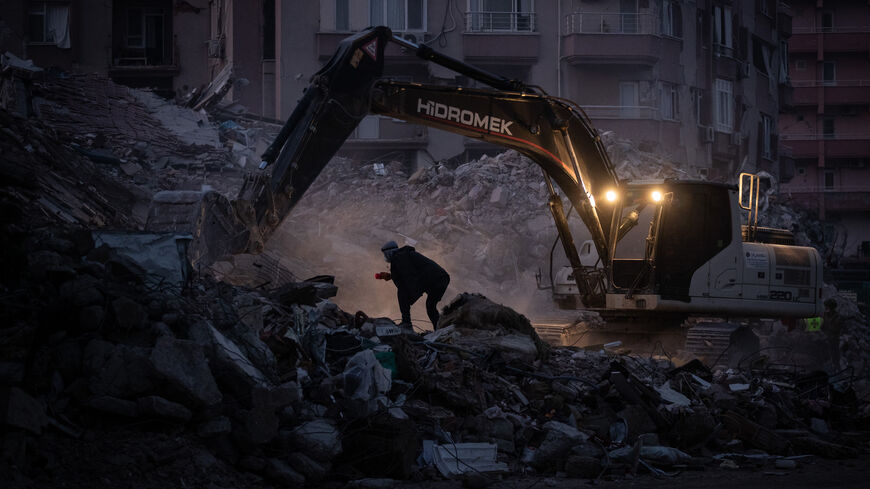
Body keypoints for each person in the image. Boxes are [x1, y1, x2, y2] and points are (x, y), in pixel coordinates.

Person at [379, 240, 450, 330]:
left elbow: (408, 278)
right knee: (430, 306)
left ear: (389, 253)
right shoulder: (404, 255)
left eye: (385, 254)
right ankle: (439, 329)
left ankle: (406, 322)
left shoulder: (399, 257)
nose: (385, 257)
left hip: (434, 280)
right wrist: (391, 276)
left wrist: (409, 297)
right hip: (440, 278)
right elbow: (409, 274)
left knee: (402, 292)